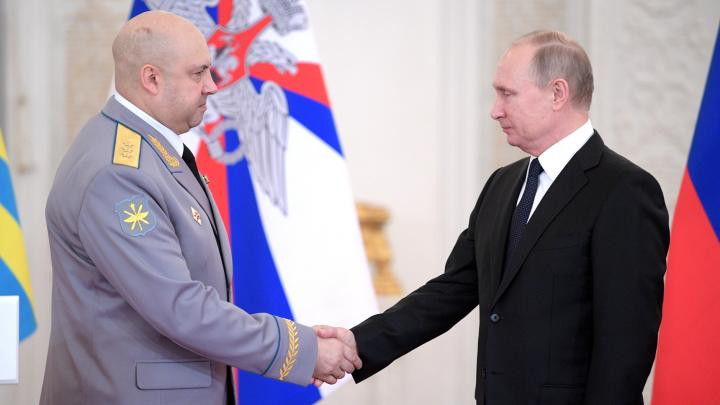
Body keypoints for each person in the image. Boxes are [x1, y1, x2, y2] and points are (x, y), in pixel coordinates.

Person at [318, 30, 670, 404]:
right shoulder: (502, 184)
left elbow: (625, 344)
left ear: (557, 93)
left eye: (507, 93)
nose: (495, 110)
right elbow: (452, 290)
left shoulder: (624, 191)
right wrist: (357, 343)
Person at [41, 10, 359, 405]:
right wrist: (301, 350)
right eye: (198, 73)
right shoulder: (118, 173)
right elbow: (180, 308)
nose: (212, 86)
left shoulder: (147, 151)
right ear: (151, 79)